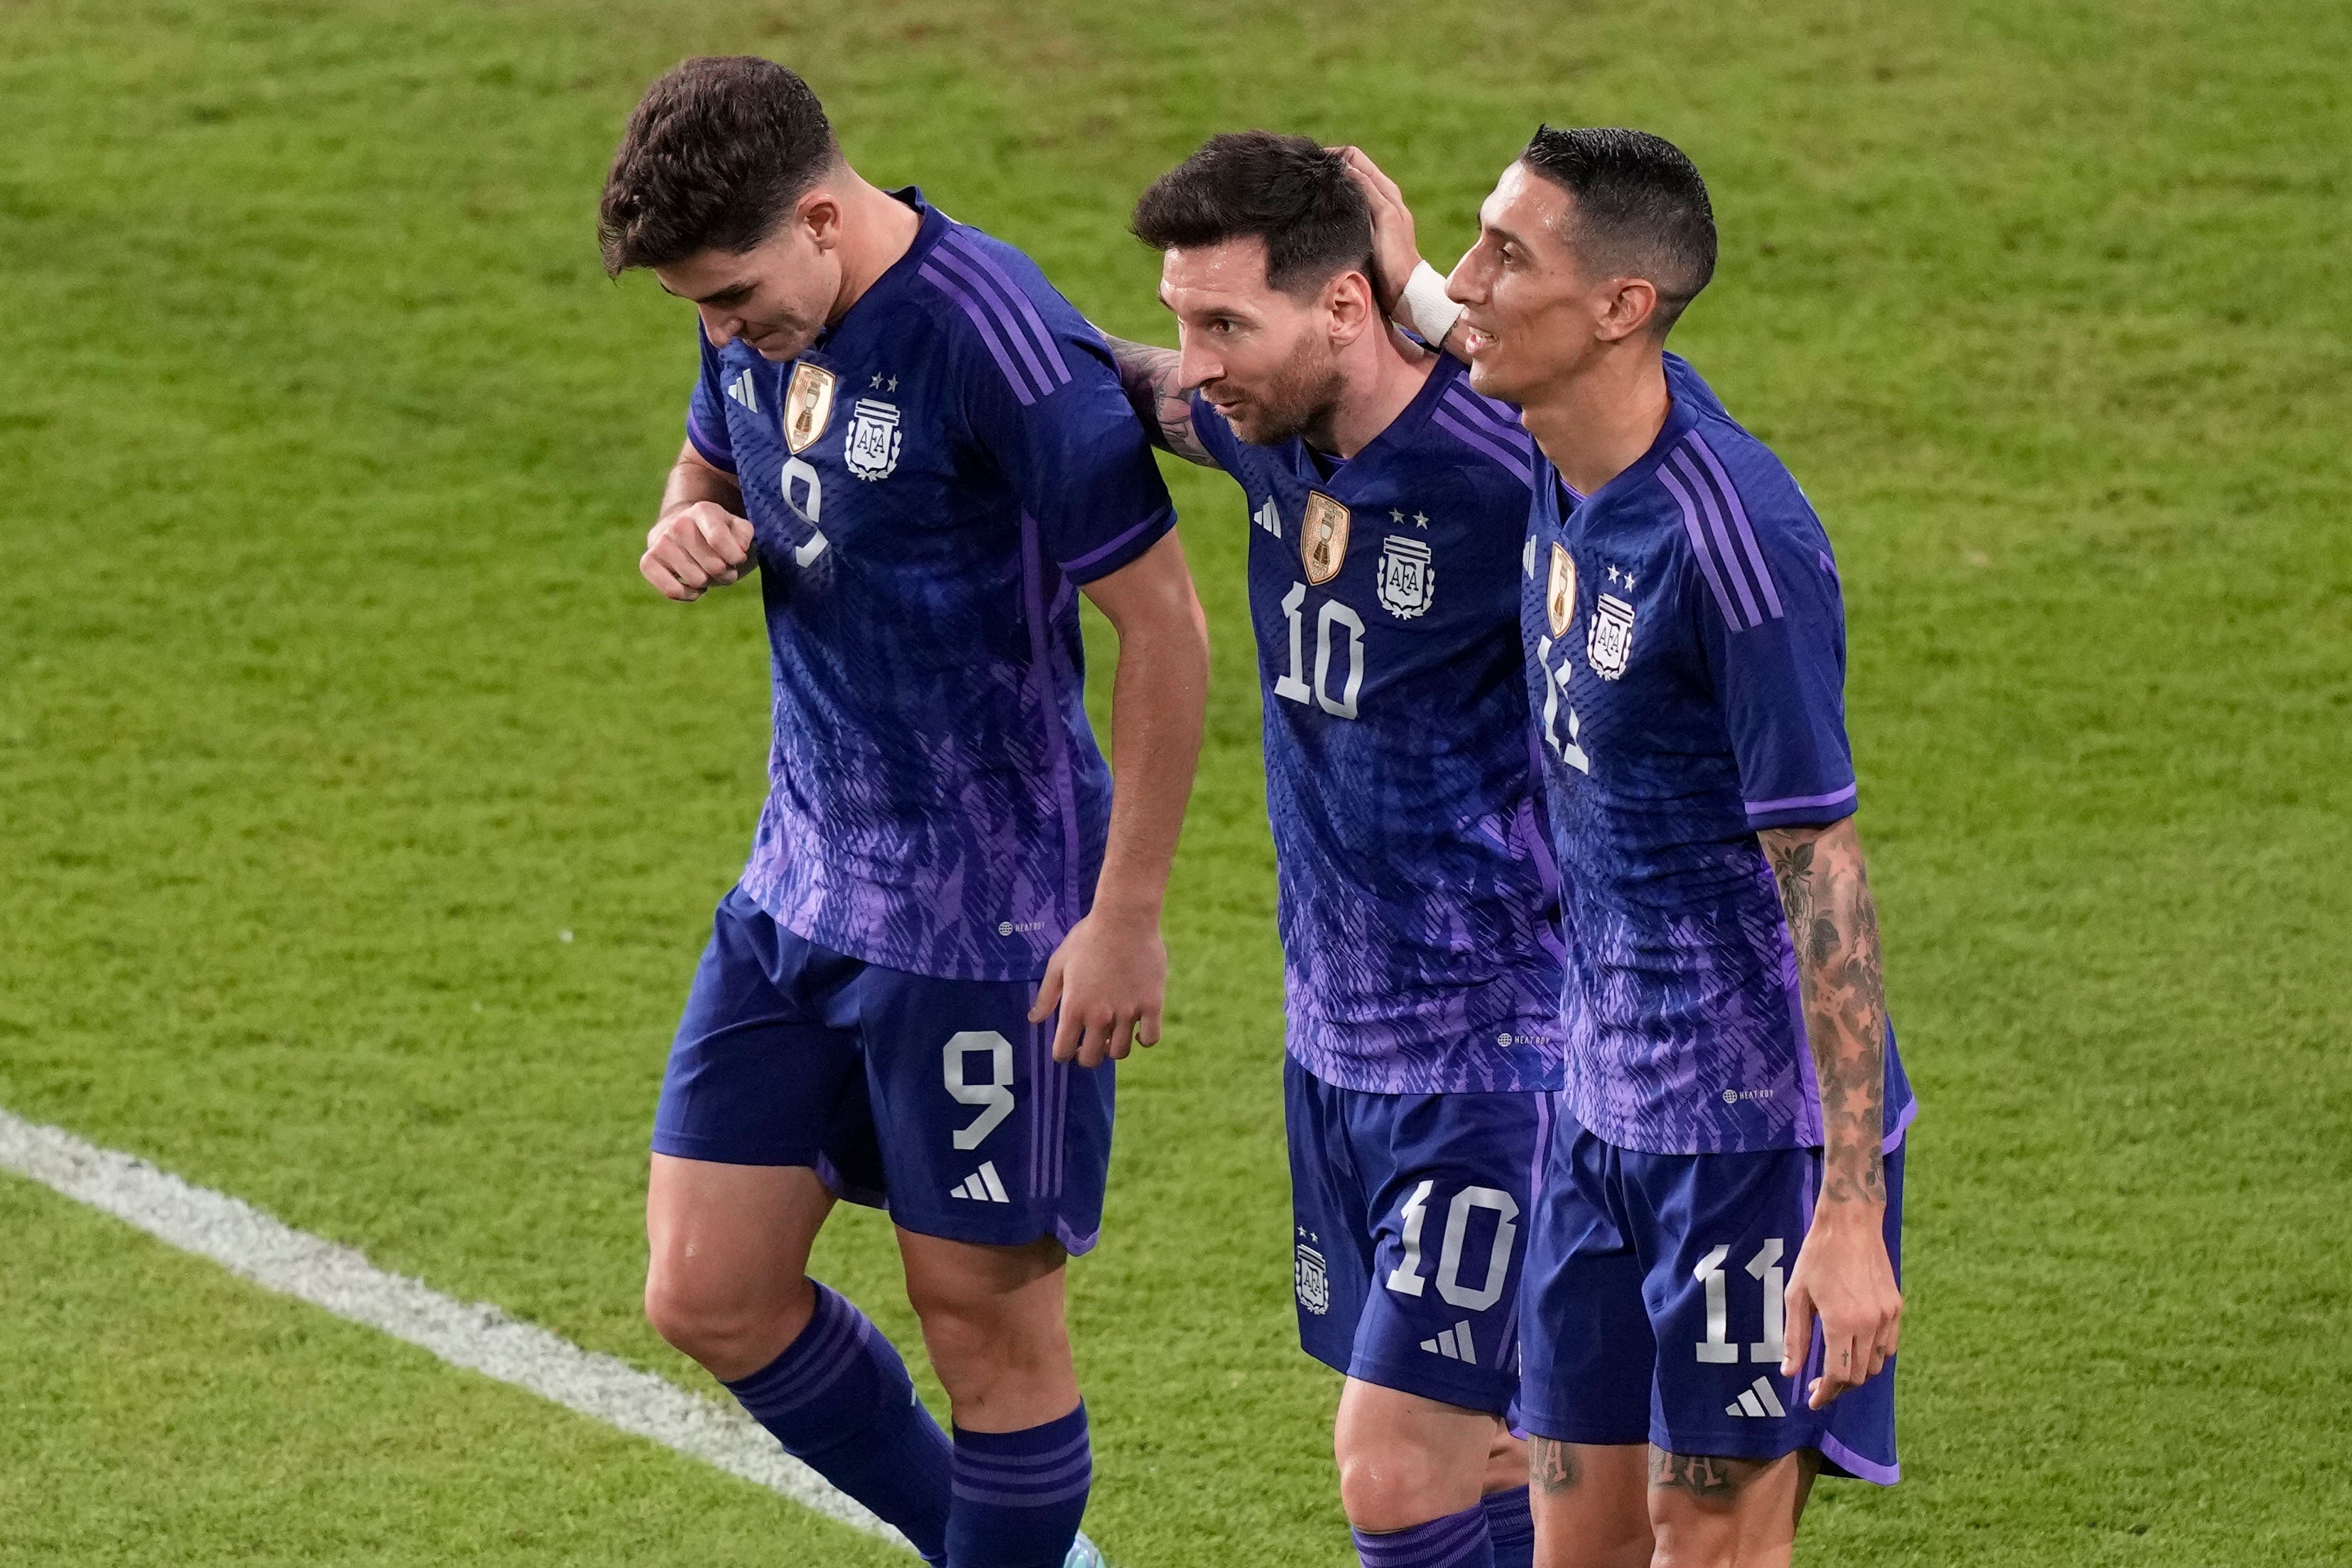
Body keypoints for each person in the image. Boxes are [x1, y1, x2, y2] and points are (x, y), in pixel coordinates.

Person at [596, 57, 1209, 1568]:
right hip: (798, 887)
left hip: (989, 922)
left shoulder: (990, 338)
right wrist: (687, 517)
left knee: (984, 1330)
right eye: (698, 309)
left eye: (735, 293)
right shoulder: (752, 304)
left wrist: (1122, 917)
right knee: (706, 1290)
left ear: (820, 213)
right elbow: (715, 445)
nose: (723, 328)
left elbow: (1169, 625)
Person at [1341, 130, 1915, 1568]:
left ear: (1621, 310)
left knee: (1707, 1545)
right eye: (1475, 243)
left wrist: (1848, 1209)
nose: (1466, 283)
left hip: (1744, 1138)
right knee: (1573, 1542)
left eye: (1507, 257)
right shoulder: (1566, 432)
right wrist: (1402, 265)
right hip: (1594, 1115)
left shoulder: (1734, 552)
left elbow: (1825, 881)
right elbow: (1460, 331)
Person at [1106, 131, 1564, 1568]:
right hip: (1340, 1049)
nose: (1196, 362)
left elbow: (1666, 468)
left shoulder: (1504, 478)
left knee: (1389, 1469)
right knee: (1488, 1445)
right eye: (1187, 321)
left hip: (1502, 1054)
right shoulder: (1258, 434)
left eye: (1226, 325)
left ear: (1347, 309)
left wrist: (1434, 285)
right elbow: (1103, 383)